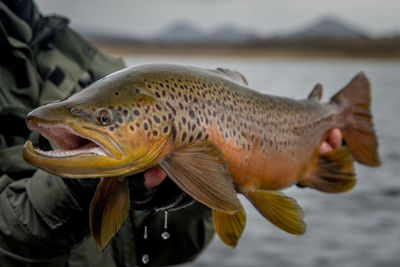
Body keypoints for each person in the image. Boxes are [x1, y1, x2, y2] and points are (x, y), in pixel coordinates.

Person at [0, 1, 344, 266]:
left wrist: (198, 196)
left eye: (104, 119)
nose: (102, 123)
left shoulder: (75, 50)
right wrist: (77, 190)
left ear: (160, 123)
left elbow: (158, 250)